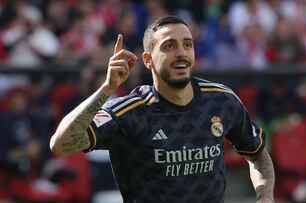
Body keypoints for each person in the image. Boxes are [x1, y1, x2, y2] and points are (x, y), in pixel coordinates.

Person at [50, 15, 275, 203]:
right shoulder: (128, 112)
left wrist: (265, 197)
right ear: (147, 60)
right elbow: (60, 145)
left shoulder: (222, 100)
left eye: (188, 44)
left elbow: (258, 156)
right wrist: (106, 89)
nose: (181, 52)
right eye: (169, 46)